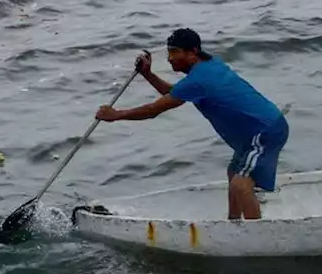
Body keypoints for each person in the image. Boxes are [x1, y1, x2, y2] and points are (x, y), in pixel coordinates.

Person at [95, 29, 288, 220]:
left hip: (264, 130)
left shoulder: (199, 80)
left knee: (240, 183)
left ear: (192, 52)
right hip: (259, 129)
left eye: (175, 52)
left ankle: (255, 235)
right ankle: (234, 223)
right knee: (233, 173)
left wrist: (116, 115)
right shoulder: (208, 67)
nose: (170, 58)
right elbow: (175, 94)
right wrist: (148, 74)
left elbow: (153, 110)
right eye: (168, 52)